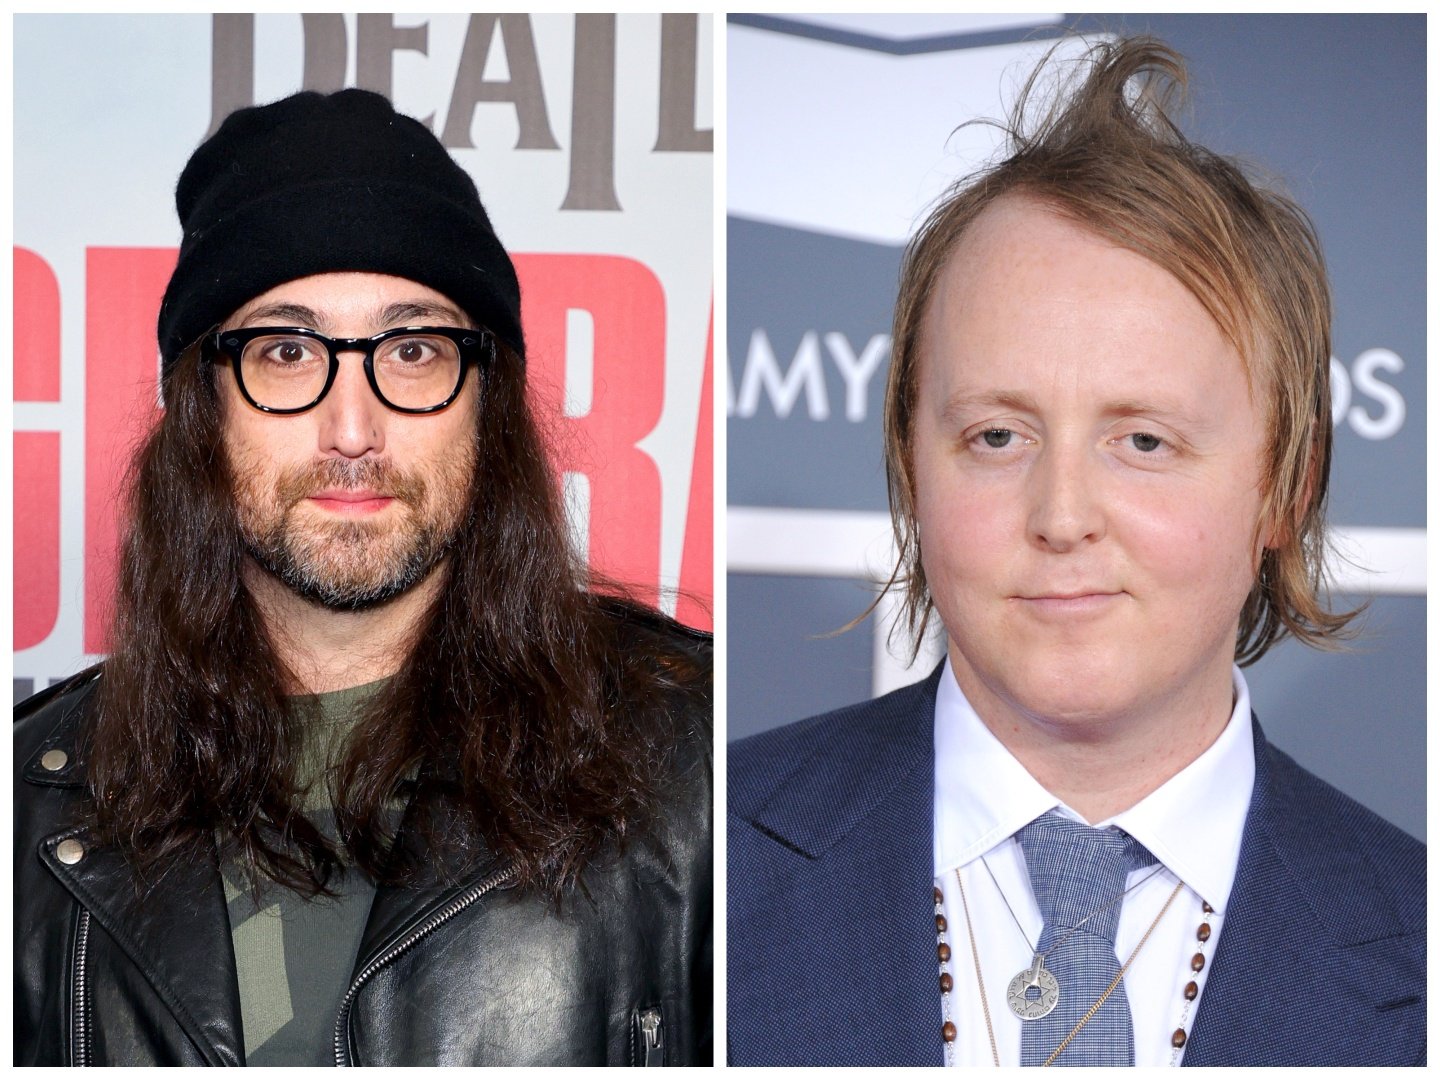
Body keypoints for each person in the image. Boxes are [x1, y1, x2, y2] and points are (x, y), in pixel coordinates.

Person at [727, 38, 1422, 1067]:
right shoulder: (700, 870)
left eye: (1143, 441)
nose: (1062, 515)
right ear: (911, 468)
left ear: (1288, 487)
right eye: (997, 437)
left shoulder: (1418, 941)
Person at [15, 89, 711, 1067]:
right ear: (202, 408)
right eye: (289, 351)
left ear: (488, 406)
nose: (353, 429)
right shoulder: (29, 803)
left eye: (414, 350)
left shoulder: (695, 764)